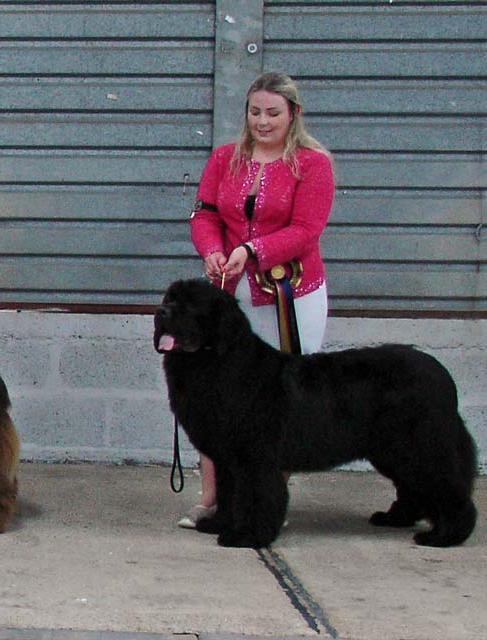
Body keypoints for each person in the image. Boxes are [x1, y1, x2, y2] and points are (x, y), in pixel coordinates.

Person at [179, 71, 335, 528]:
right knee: (216, 393)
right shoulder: (225, 158)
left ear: (293, 115)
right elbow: (205, 214)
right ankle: (213, 497)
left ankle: (267, 501)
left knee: (279, 399)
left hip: (292, 293)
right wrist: (212, 250)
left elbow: (306, 231)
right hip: (231, 293)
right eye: (255, 112)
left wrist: (252, 251)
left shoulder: (313, 164)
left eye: (273, 113)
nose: (262, 122)